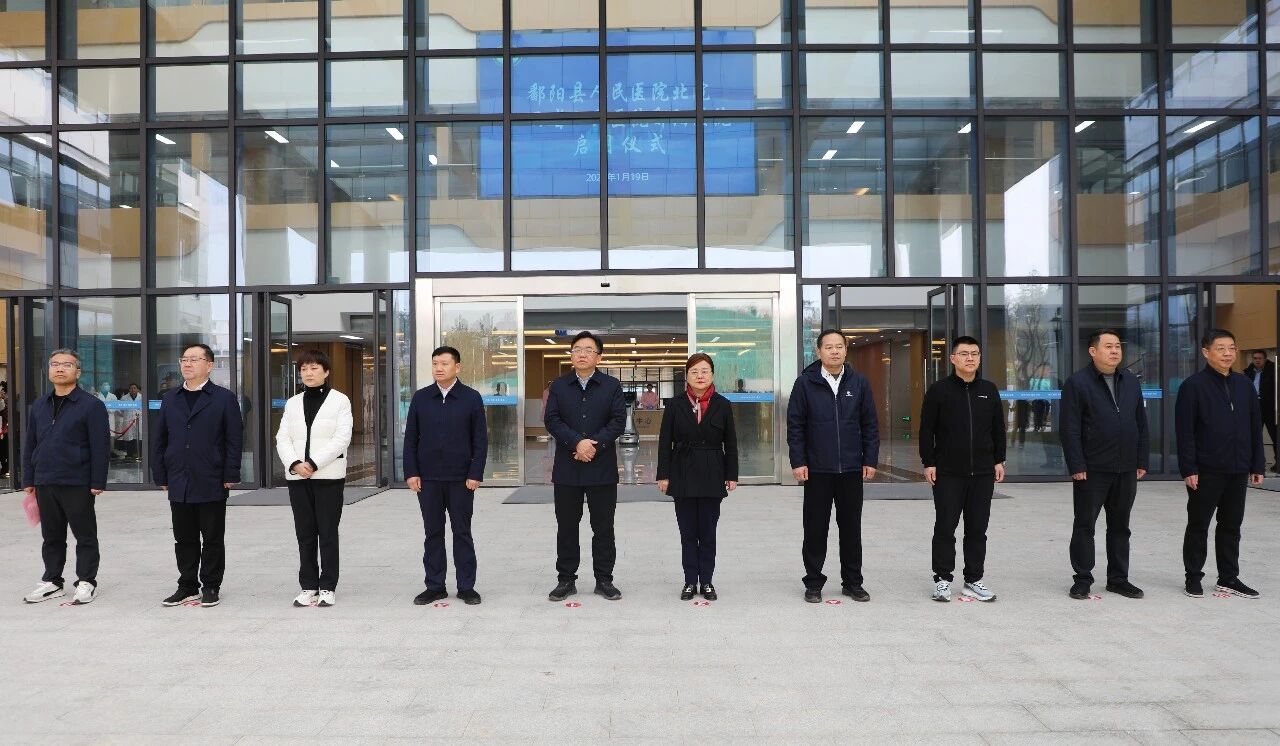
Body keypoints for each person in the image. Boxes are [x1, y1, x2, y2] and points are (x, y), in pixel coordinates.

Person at [787, 329, 879, 604]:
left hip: (851, 469)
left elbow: (870, 424)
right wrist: (798, 461)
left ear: (846, 349)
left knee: (851, 530)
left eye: (839, 346)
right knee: (815, 529)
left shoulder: (859, 382)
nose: (835, 351)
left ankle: (853, 582)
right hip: (817, 470)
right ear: (819, 351)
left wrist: (870, 459)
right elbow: (795, 425)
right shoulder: (805, 383)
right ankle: (814, 583)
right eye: (829, 347)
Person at [1175, 329, 1265, 599]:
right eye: (1221, 348)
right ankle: (1193, 577)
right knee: (1198, 525)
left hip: (1238, 469)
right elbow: (1185, 432)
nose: (1228, 353)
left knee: (1231, 526)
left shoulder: (1244, 385)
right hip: (1206, 470)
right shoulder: (1193, 386)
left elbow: (1254, 427)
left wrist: (1257, 464)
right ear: (1206, 352)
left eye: (1231, 348)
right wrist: (1189, 468)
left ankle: (1228, 578)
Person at [152, 343, 243, 608]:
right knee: (184, 537)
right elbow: (160, 439)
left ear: (209, 365)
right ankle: (187, 585)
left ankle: (211, 585)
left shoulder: (224, 398)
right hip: (179, 477)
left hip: (211, 476)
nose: (187, 364)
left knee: (212, 537)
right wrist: (161, 474)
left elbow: (234, 439)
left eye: (194, 359)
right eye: (184, 359)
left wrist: (231, 473)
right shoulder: (170, 398)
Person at [1060, 329, 1148, 601]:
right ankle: (1082, 579)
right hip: (1092, 468)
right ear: (1093, 351)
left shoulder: (1130, 381)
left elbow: (1140, 423)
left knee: (1121, 526)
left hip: (1126, 467)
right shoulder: (1078, 383)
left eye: (1117, 346)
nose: (1114, 351)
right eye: (1108, 346)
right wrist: (1077, 464)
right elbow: (1070, 428)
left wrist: (1141, 459)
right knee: (1085, 525)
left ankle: (1118, 579)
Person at [919, 336, 1006, 603]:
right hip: (948, 473)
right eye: (965, 353)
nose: (970, 358)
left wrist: (999, 460)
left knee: (978, 528)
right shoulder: (939, 390)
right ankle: (942, 579)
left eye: (975, 353)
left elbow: (998, 429)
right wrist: (929, 462)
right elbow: (926, 430)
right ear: (953, 358)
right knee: (946, 526)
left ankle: (973, 579)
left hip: (983, 472)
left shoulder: (989, 389)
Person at [21, 350, 109, 605]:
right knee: (51, 536)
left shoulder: (91, 405)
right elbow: (30, 444)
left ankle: (86, 581)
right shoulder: (40, 405)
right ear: (49, 370)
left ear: (77, 372)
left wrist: (97, 481)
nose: (60, 368)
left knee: (85, 534)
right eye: (55, 364)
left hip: (77, 480)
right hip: (45, 480)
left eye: (67, 365)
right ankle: (52, 580)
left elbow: (100, 446)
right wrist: (28, 478)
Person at [543, 331, 626, 602]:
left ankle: (604, 580)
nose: (581, 354)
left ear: (598, 357)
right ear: (571, 355)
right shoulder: (559, 386)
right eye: (577, 349)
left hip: (602, 468)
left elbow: (617, 421)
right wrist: (577, 443)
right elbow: (552, 420)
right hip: (567, 468)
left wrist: (592, 446)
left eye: (588, 350)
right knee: (567, 527)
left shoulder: (611, 386)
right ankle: (566, 580)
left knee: (603, 527)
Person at [404, 345, 488, 606]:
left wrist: (475, 473)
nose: (438, 368)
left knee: (462, 532)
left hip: (461, 479)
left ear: (457, 367)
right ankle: (435, 585)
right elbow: (410, 439)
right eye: (435, 364)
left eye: (444, 364)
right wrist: (411, 472)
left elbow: (480, 440)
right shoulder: (421, 397)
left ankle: (466, 586)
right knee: (433, 533)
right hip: (428, 479)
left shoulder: (471, 398)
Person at [656, 353, 738, 601]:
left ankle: (708, 581)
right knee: (688, 533)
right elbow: (664, 442)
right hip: (682, 472)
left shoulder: (723, 404)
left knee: (708, 532)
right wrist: (663, 474)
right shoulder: (675, 404)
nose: (700, 376)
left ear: (712, 374)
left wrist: (731, 474)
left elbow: (731, 443)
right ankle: (690, 581)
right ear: (687, 376)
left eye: (704, 371)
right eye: (694, 372)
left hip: (713, 473)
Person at [276, 350, 353, 608]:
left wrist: (313, 463)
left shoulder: (340, 401)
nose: (308, 373)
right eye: (304, 369)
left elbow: (342, 438)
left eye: (314, 368)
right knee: (304, 533)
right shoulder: (292, 403)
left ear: (326, 371)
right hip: (298, 478)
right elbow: (282, 438)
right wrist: (295, 464)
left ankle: (328, 586)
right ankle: (308, 585)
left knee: (327, 532)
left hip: (328, 477)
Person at [1244, 350, 1277, 472]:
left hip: (1270, 407)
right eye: (1255, 358)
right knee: (1254, 436)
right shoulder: (1248, 372)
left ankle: (1278, 463)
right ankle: (1256, 463)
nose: (1257, 360)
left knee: (1275, 436)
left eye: (1260, 358)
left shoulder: (1273, 370)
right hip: (1254, 407)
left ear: (1265, 359)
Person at [118, 383, 143, 461]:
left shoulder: (142, 397)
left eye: (134, 388)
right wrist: (127, 415)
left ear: (137, 389)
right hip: (128, 420)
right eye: (131, 388)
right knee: (129, 439)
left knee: (139, 438)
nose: (133, 389)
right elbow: (120, 409)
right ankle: (129, 455)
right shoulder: (124, 398)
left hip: (138, 420)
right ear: (129, 389)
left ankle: (139, 454)